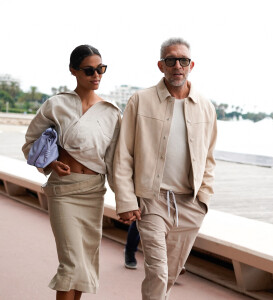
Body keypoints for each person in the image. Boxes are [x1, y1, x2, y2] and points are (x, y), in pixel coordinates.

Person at [113, 38, 217, 299]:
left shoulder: (205, 107)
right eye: (171, 60)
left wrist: (203, 199)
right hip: (153, 201)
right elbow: (123, 154)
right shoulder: (140, 101)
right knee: (158, 272)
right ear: (161, 65)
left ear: (191, 65)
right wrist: (126, 199)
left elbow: (210, 157)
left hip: (190, 204)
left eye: (183, 61)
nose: (177, 66)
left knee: (170, 274)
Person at [22, 45, 121, 300]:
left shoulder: (112, 112)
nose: (96, 75)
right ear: (73, 71)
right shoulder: (56, 104)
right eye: (89, 70)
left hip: (93, 192)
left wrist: (127, 201)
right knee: (71, 263)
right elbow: (31, 142)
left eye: (101, 69)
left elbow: (116, 162)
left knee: (84, 264)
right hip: (63, 192)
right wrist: (51, 163)